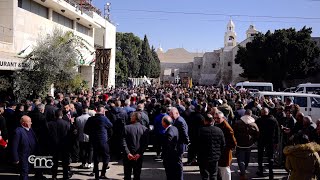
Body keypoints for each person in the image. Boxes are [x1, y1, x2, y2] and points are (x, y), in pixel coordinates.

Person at [84, 105, 113, 179]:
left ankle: (96, 175)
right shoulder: (104, 118)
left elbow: (85, 130)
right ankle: (103, 174)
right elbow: (110, 126)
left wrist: (92, 134)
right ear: (103, 111)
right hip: (103, 140)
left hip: (94, 140)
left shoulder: (91, 119)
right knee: (106, 157)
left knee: (96, 158)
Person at [122, 112, 149, 180]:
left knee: (127, 174)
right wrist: (139, 153)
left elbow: (123, 142)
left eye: (132, 116)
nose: (131, 117)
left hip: (128, 156)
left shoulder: (126, 128)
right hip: (138, 156)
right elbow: (145, 144)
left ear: (135, 118)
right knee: (137, 175)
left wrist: (128, 153)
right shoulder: (144, 129)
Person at [198, 114, 225, 180]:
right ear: (212, 121)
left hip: (203, 157)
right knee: (214, 174)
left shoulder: (201, 130)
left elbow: (197, 144)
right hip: (215, 157)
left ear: (205, 121)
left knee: (205, 176)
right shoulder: (219, 130)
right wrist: (219, 153)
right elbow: (223, 144)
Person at [233, 110, 259, 180]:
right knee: (247, 159)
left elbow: (233, 133)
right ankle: (244, 171)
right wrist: (253, 141)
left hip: (239, 144)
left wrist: (235, 141)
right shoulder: (253, 124)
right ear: (251, 115)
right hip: (249, 144)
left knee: (240, 159)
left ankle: (243, 172)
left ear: (244, 114)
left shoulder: (238, 123)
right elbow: (257, 133)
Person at [256, 108, 280, 180]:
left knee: (260, 156)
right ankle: (270, 173)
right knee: (270, 157)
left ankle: (261, 170)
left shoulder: (259, 120)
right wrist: (276, 142)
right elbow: (277, 132)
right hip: (270, 140)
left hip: (261, 140)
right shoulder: (273, 120)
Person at [48, 109, 72, 180]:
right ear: (62, 115)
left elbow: (48, 134)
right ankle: (65, 176)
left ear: (55, 115)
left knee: (54, 161)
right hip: (64, 145)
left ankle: (54, 176)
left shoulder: (50, 123)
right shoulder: (66, 123)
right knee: (65, 162)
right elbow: (70, 134)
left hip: (54, 144)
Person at [11, 115, 37, 180]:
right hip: (23, 157)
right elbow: (14, 146)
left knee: (26, 172)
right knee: (24, 173)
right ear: (23, 123)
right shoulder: (18, 131)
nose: (31, 123)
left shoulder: (30, 129)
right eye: (29, 122)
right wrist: (16, 158)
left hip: (31, 156)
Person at [214, 111, 237, 180]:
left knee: (225, 170)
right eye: (215, 118)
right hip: (219, 152)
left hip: (225, 153)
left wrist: (226, 147)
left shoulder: (227, 128)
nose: (216, 120)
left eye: (218, 118)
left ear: (223, 118)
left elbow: (233, 142)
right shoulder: (218, 125)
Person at [169, 107, 190, 180]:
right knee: (177, 162)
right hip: (178, 145)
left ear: (177, 113)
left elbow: (184, 134)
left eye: (172, 114)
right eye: (170, 114)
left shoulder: (180, 121)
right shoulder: (177, 120)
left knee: (179, 163)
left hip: (180, 145)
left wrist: (187, 143)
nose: (170, 116)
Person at [161, 115, 180, 180]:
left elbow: (168, 146)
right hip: (174, 156)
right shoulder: (175, 128)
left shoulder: (169, 132)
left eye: (162, 121)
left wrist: (164, 156)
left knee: (170, 174)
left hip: (170, 158)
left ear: (164, 123)